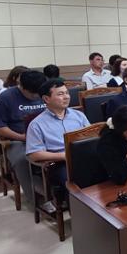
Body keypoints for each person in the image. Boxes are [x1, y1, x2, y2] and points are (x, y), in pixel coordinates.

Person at [25, 79, 90, 210]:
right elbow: (34, 154)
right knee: (75, 179)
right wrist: (64, 156)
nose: (66, 97)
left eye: (67, 93)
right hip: (59, 164)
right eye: (60, 94)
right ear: (46, 99)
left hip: (83, 157)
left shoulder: (79, 116)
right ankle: (79, 215)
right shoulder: (37, 124)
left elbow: (91, 137)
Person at [0, 70, 47, 210]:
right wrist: (21, 137)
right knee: (22, 160)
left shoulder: (46, 92)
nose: (36, 96)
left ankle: (62, 195)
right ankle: (37, 200)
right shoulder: (5, 98)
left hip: (47, 135)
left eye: (38, 93)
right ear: (21, 86)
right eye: (32, 94)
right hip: (18, 140)